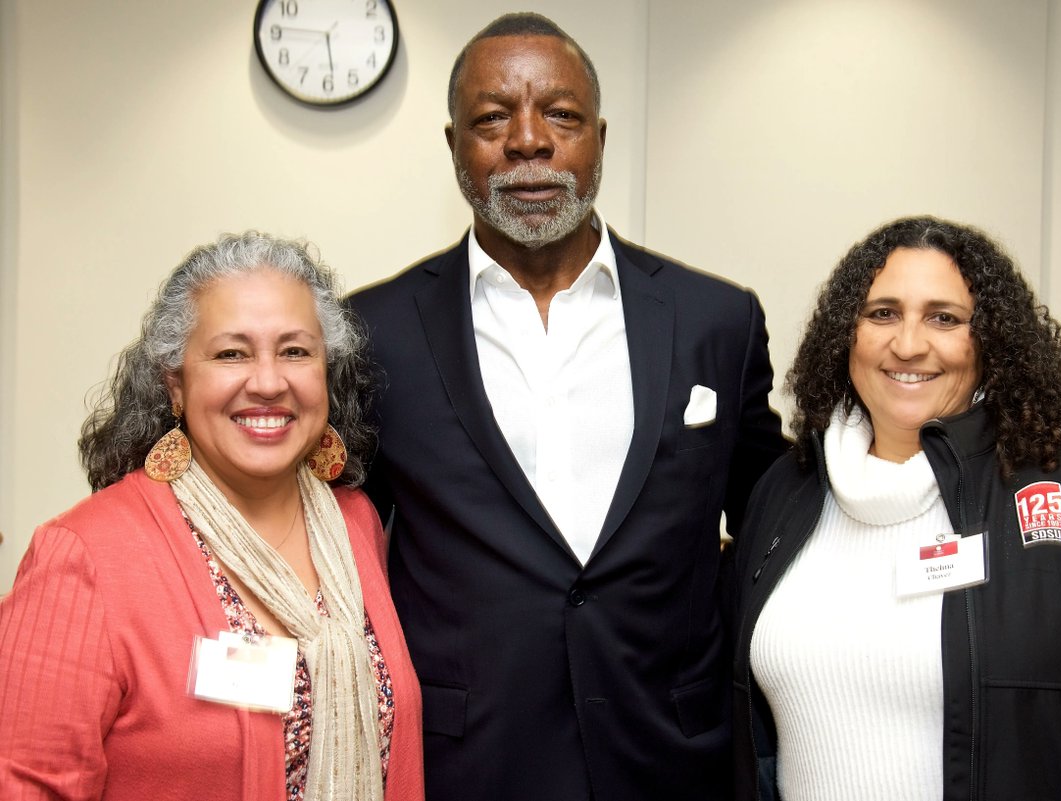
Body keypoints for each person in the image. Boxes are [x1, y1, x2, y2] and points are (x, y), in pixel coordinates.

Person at [349, 12, 787, 801]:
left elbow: (772, 519)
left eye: (560, 114)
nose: (527, 141)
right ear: (454, 145)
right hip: (465, 760)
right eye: (491, 118)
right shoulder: (373, 332)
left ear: (600, 138)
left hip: (671, 755)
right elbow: (335, 536)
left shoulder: (715, 319)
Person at [732, 215, 1061, 800]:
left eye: (943, 318)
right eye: (882, 313)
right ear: (844, 335)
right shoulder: (785, 492)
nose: (908, 343)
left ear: (991, 342)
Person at [0, 232, 424, 801]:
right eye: (232, 354)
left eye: (296, 351)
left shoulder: (355, 523)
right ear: (175, 383)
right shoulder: (82, 558)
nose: (269, 382)